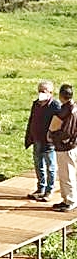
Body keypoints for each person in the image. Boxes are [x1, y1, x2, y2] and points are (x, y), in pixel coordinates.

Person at [24, 80, 61, 202]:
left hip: (49, 142)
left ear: (50, 92)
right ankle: (40, 188)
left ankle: (49, 191)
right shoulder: (36, 104)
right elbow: (31, 120)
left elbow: (59, 123)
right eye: (39, 91)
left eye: (43, 91)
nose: (41, 93)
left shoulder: (55, 105)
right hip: (37, 140)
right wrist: (29, 136)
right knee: (38, 165)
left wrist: (53, 137)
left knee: (50, 167)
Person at [49, 84, 77, 212]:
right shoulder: (73, 107)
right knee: (67, 174)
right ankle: (67, 199)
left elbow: (66, 132)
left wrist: (53, 136)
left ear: (61, 96)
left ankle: (70, 201)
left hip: (66, 147)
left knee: (67, 175)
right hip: (70, 145)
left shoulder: (68, 110)